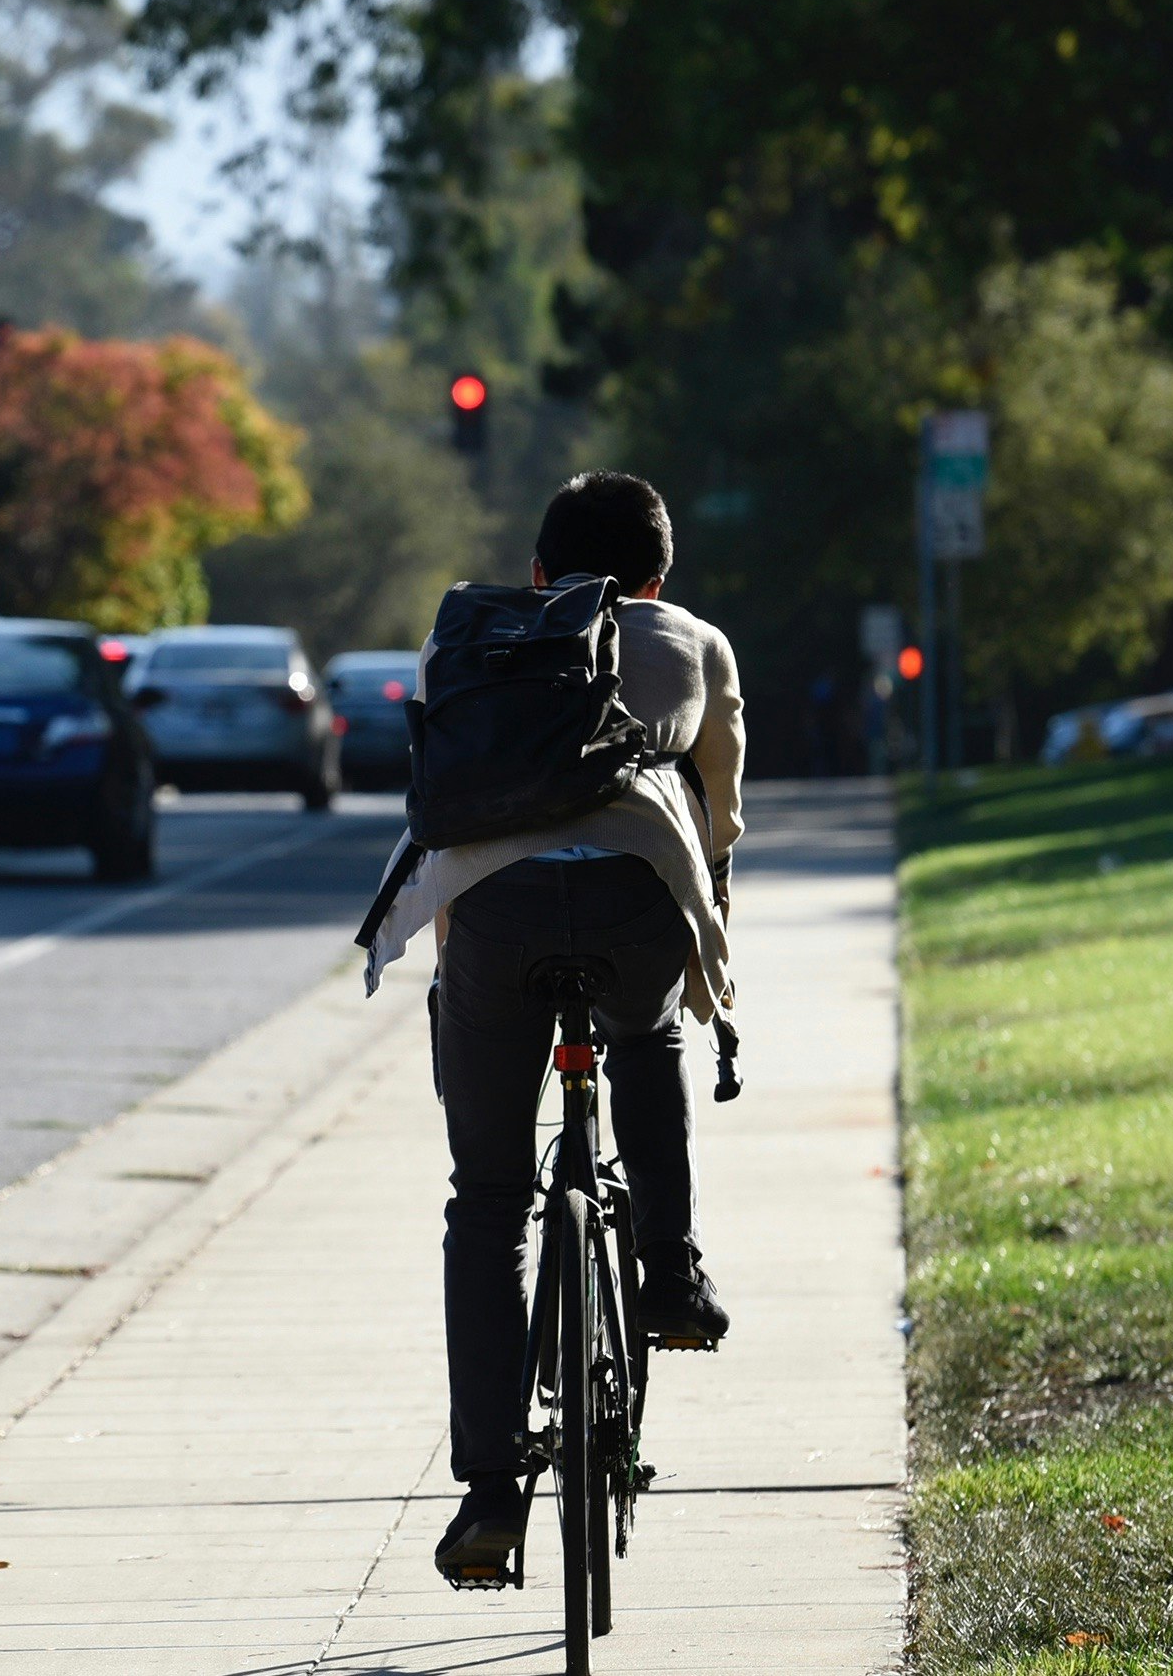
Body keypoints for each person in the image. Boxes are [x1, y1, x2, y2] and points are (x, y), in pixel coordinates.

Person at [356, 470, 747, 1584]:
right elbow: (719, 821)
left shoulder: (468, 634)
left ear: (538, 575)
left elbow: (441, 801)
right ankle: (669, 1276)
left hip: (494, 911)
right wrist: (712, 973)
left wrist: (465, 980)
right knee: (649, 1037)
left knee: (486, 1197)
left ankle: (488, 1493)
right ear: (658, 575)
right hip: (634, 902)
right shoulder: (695, 640)